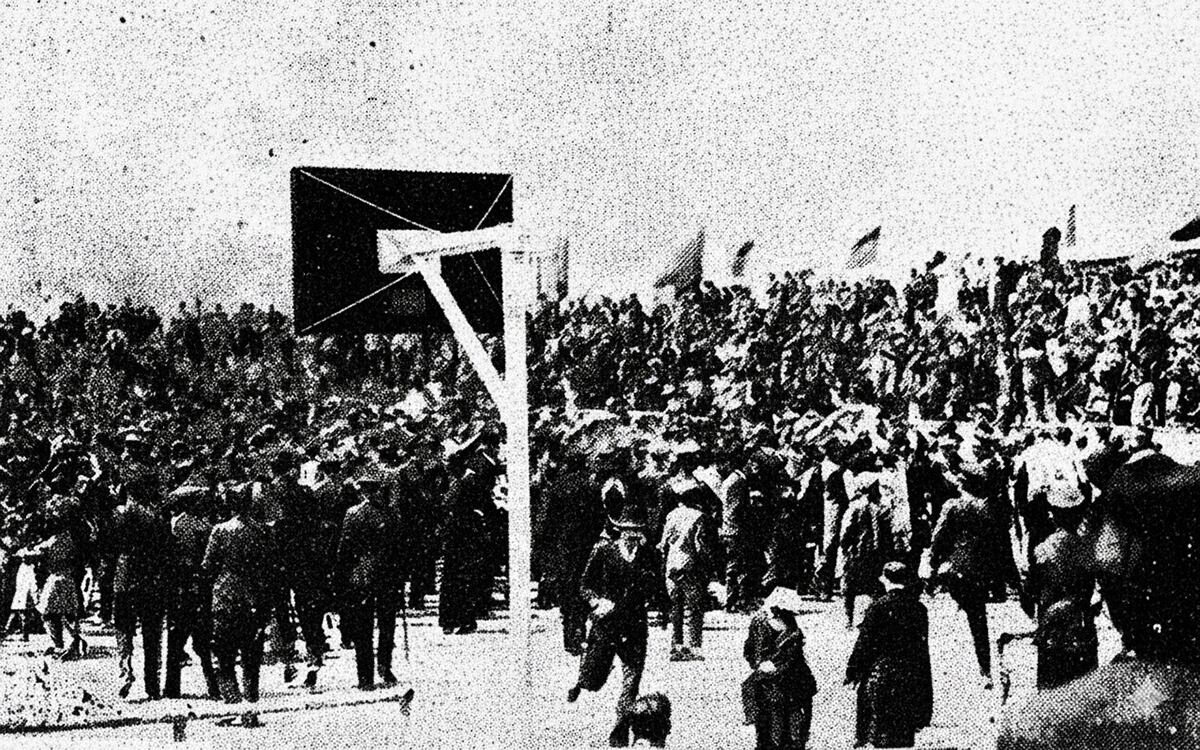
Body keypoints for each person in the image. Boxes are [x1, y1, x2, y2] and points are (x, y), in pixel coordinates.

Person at [568, 503, 664, 747]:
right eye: (628, 531)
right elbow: (584, 585)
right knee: (593, 679)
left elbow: (657, 587)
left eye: (638, 531)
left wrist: (662, 609)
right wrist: (596, 601)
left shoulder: (650, 555)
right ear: (620, 530)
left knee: (631, 682)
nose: (633, 537)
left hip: (634, 627)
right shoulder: (603, 551)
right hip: (606, 625)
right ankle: (581, 682)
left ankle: (620, 728)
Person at [845, 562, 932, 748]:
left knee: (878, 732)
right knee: (902, 734)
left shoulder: (877, 607)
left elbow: (864, 644)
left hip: (881, 674)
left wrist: (852, 670)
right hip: (909, 676)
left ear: (884, 579)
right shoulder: (919, 609)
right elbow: (922, 651)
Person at [203, 482, 272, 710]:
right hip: (254, 595)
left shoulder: (220, 530)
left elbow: (209, 565)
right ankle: (251, 697)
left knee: (224, 653)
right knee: (251, 654)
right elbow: (269, 564)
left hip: (226, 596)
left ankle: (232, 700)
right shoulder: (262, 530)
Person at [335, 467, 405, 690]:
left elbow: (344, 548)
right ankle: (384, 666)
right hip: (387, 573)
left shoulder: (352, 513)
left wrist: (340, 575)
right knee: (386, 624)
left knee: (363, 625)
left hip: (361, 573)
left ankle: (365, 676)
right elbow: (400, 549)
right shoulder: (390, 514)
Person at [109, 465, 172, 700]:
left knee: (123, 631)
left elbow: (108, 544)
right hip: (151, 578)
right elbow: (167, 548)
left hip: (125, 576)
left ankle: (125, 673)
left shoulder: (120, 513)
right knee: (152, 634)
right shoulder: (158, 516)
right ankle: (152, 684)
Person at [742, 587, 817, 750]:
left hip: (789, 681)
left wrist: (768, 666)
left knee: (790, 728)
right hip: (774, 683)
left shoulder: (787, 623)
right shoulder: (761, 622)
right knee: (770, 726)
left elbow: (793, 654)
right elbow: (750, 650)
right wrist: (761, 665)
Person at [164, 483, 220, 700]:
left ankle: (172, 688)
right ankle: (212, 686)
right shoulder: (192, 525)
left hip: (185, 585)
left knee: (180, 639)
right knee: (200, 639)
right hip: (192, 584)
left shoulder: (182, 523)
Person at [657, 478, 712, 661]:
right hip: (690, 565)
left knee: (676, 607)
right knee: (694, 608)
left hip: (672, 564)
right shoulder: (699, 516)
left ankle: (676, 645)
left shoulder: (671, 515)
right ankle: (694, 646)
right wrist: (707, 565)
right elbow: (700, 545)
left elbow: (663, 542)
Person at [838, 479, 892, 628]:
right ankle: (870, 619)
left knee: (850, 589)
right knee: (875, 587)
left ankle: (850, 620)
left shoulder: (855, 508)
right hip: (872, 554)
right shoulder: (882, 509)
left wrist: (845, 549)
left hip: (857, 554)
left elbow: (845, 534)